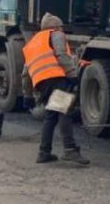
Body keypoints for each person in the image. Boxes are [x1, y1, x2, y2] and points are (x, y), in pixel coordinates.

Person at [23, 13, 90, 166]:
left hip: (42, 83)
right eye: (61, 26)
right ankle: (70, 150)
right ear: (56, 26)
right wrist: (72, 74)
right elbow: (60, 54)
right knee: (64, 112)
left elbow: (25, 73)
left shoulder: (32, 43)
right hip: (57, 79)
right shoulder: (56, 34)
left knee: (51, 116)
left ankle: (44, 152)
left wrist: (27, 94)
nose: (62, 29)